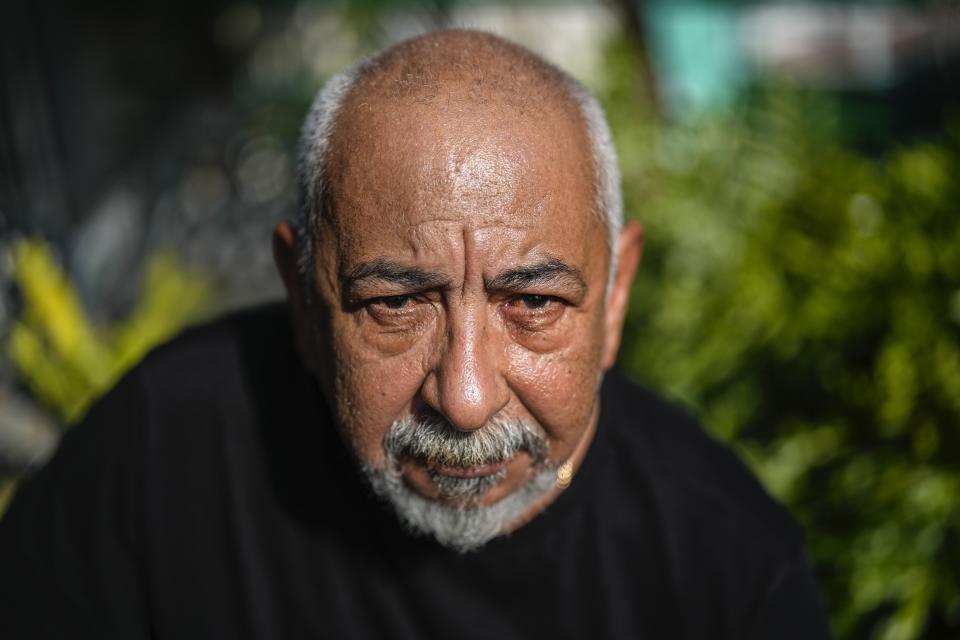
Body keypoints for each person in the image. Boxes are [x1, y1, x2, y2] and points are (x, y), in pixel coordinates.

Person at [0, 30, 832, 639]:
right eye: (395, 305)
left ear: (614, 296)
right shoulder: (160, 458)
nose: (465, 400)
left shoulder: (728, 571)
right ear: (302, 296)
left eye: (532, 303)